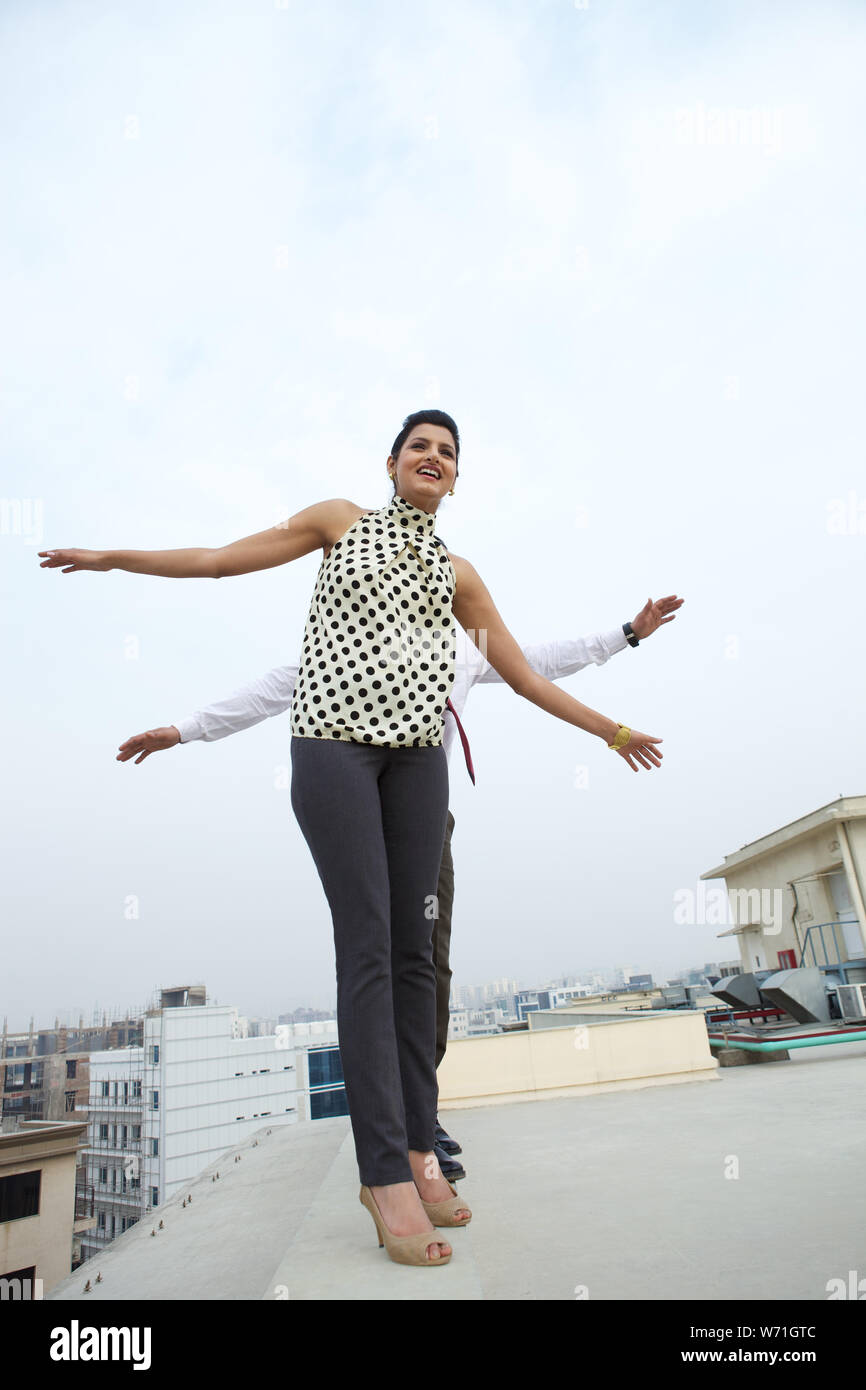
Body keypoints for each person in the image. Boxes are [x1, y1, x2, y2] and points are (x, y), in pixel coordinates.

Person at [39, 408, 666, 1268]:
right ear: (392, 463)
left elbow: (524, 671)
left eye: (447, 452)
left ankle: (417, 1146)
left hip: (418, 765)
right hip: (333, 749)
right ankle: (383, 1174)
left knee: (419, 959)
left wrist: (611, 729)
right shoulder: (342, 522)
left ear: (457, 477)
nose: (433, 458)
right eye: (420, 447)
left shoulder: (460, 576)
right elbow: (223, 562)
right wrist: (117, 558)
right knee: (369, 947)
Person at [114, 598, 683, 1183]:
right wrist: (183, 731)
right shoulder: (349, 648)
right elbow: (271, 689)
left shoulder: (465, 649)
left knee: (428, 967)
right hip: (359, 812)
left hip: (427, 822)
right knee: (370, 961)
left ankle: (420, 1117)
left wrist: (628, 634)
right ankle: (387, 1140)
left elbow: (540, 663)